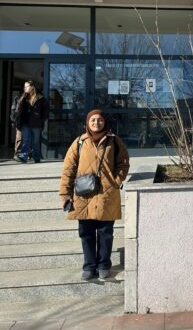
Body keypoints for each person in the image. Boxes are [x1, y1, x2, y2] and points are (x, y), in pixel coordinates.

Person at [59, 109, 129, 281]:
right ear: (87, 123)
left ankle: (104, 265)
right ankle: (89, 266)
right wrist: (65, 194)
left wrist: (115, 181)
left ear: (105, 122)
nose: (96, 123)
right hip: (84, 196)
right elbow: (68, 169)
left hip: (106, 194)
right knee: (86, 233)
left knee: (106, 233)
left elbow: (123, 163)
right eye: (93, 120)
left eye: (100, 120)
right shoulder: (79, 142)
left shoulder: (114, 141)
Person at [16, 81, 49, 163]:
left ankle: (36, 157)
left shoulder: (41, 98)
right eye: (24, 86)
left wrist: (41, 119)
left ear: (32, 87)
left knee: (35, 142)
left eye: (26, 86)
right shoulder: (23, 97)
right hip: (25, 123)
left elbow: (46, 111)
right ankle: (23, 157)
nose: (25, 88)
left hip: (36, 124)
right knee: (26, 140)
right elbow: (18, 109)